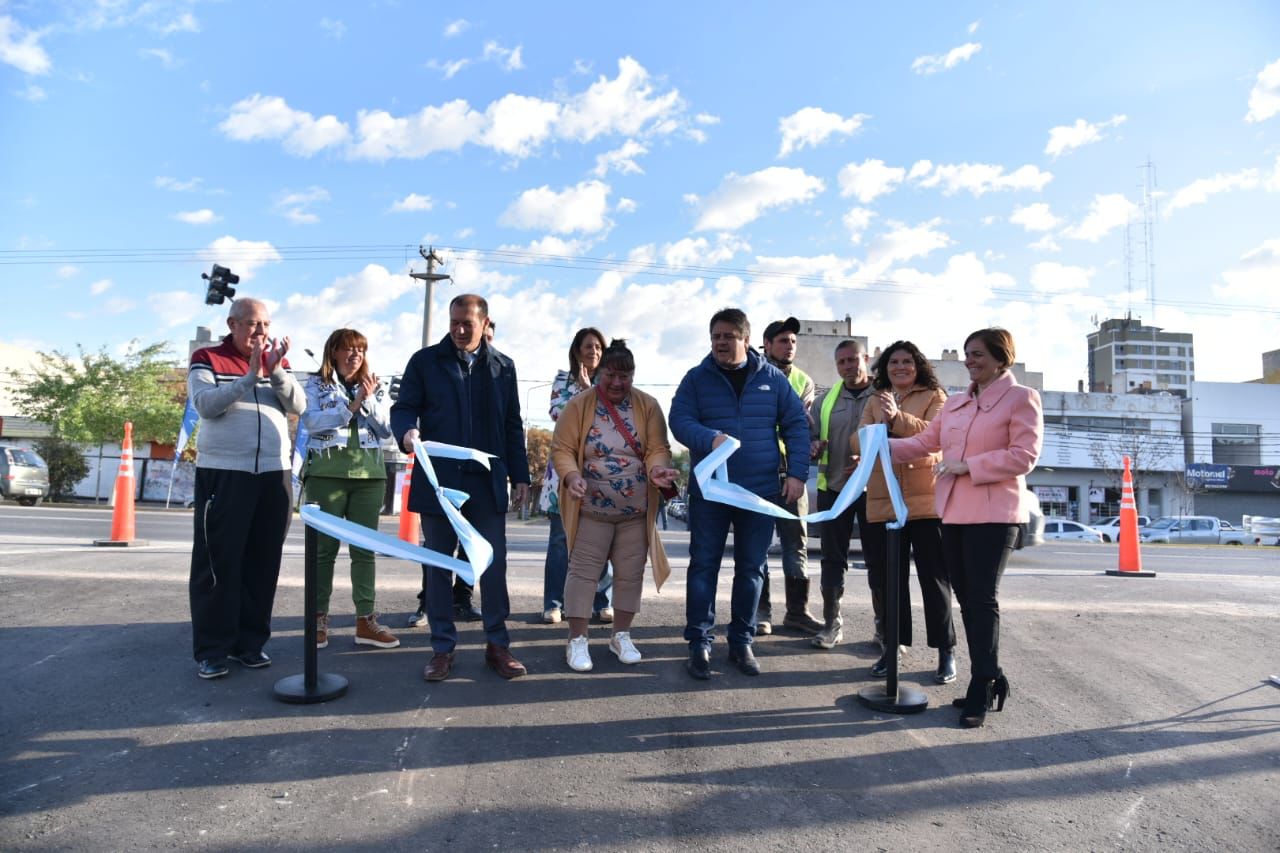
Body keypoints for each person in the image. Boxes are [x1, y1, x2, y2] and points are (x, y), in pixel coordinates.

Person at [890, 328, 1043, 728]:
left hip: (995, 516)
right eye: (966, 355)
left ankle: (983, 682)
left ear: (1000, 357)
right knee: (967, 599)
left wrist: (969, 466)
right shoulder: (956, 404)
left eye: (977, 354)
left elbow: (1023, 456)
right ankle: (990, 675)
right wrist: (872, 445)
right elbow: (923, 443)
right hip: (953, 514)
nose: (970, 361)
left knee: (980, 599)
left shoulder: (1021, 398)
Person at [391, 294, 532, 682]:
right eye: (454, 322)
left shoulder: (504, 367)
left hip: (485, 484)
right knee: (438, 565)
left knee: (492, 563)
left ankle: (497, 646)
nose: (458, 329)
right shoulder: (425, 362)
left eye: (467, 323)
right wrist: (406, 431)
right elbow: (403, 407)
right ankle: (441, 649)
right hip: (439, 484)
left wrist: (520, 475)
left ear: (485, 323)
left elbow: (512, 425)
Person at [670, 308, 809, 679]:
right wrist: (708, 438)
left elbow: (796, 424)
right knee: (703, 567)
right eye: (715, 335)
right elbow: (680, 420)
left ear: (746, 340)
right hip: (711, 491)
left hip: (759, 491)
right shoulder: (696, 379)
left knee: (751, 568)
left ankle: (741, 641)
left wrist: (796, 474)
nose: (720, 341)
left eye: (728, 335)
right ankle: (699, 643)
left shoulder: (773, 380)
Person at [187, 298, 306, 680]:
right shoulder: (208, 358)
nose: (261, 332)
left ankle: (250, 645)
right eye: (253, 324)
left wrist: (275, 372)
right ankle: (213, 650)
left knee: (263, 562)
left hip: (275, 475)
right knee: (219, 565)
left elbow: (298, 405)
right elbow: (206, 406)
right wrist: (248, 377)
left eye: (266, 325)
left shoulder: (277, 363)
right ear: (232, 324)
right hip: (225, 473)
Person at [552, 339, 679, 672]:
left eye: (626, 376)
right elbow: (562, 448)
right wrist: (571, 475)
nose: (618, 383)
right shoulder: (579, 405)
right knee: (582, 575)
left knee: (630, 575)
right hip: (592, 510)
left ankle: (620, 635)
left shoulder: (648, 406)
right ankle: (576, 640)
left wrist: (657, 469)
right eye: (611, 374)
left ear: (633, 375)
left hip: (634, 513)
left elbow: (657, 448)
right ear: (600, 373)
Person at [856, 341, 954, 681]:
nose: (900, 367)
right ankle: (892, 649)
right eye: (893, 362)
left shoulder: (935, 396)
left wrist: (896, 420)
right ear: (884, 368)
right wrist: (880, 426)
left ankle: (946, 652)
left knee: (934, 580)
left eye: (907, 361)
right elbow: (858, 442)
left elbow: (935, 437)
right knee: (889, 583)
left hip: (926, 504)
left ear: (918, 365)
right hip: (884, 502)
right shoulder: (874, 398)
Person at [301, 328, 399, 651]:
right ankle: (317, 621)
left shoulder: (376, 385)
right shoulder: (315, 384)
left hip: (369, 477)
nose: (355, 355)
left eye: (360, 349)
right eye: (348, 349)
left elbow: (387, 430)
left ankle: (365, 622)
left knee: (363, 551)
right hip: (326, 475)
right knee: (323, 551)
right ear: (334, 352)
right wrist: (350, 407)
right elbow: (312, 422)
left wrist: (367, 400)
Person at [539, 328, 614, 625]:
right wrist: (584, 391)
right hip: (565, 469)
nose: (593, 352)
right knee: (560, 539)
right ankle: (553, 603)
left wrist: (592, 390)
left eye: (598, 347)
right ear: (576, 350)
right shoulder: (562, 381)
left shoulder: (612, 384)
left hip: (603, 472)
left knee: (602, 538)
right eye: (587, 347)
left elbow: (610, 418)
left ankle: (601, 601)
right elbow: (560, 416)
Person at [757, 316, 822, 635]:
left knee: (796, 544)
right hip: (759, 473)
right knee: (756, 544)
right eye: (783, 340)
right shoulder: (752, 374)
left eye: (793, 341)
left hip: (792, 472)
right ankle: (760, 612)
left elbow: (798, 424)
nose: (789, 346)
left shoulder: (804, 381)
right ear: (767, 344)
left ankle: (797, 612)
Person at [808, 339, 876, 650]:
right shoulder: (825, 401)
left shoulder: (887, 395)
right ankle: (831, 624)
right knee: (832, 561)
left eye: (853, 360)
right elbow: (810, 442)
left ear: (866, 360)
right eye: (842, 362)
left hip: (876, 492)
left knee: (881, 561)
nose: (848, 367)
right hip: (834, 491)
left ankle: (886, 629)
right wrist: (813, 447)